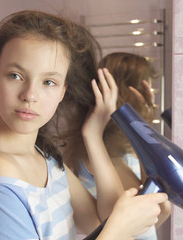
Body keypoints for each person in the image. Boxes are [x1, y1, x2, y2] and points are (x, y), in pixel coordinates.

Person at [0, 11, 168, 240]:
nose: (30, 95)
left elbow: (100, 220)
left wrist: (93, 135)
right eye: (15, 75)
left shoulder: (45, 158)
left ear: (63, 91)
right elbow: (112, 227)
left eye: (49, 82)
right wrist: (120, 227)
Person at [64, 52, 172, 240]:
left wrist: (140, 125)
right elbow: (120, 220)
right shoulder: (99, 154)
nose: (151, 94)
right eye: (146, 87)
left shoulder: (124, 151)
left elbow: (152, 218)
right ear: (129, 92)